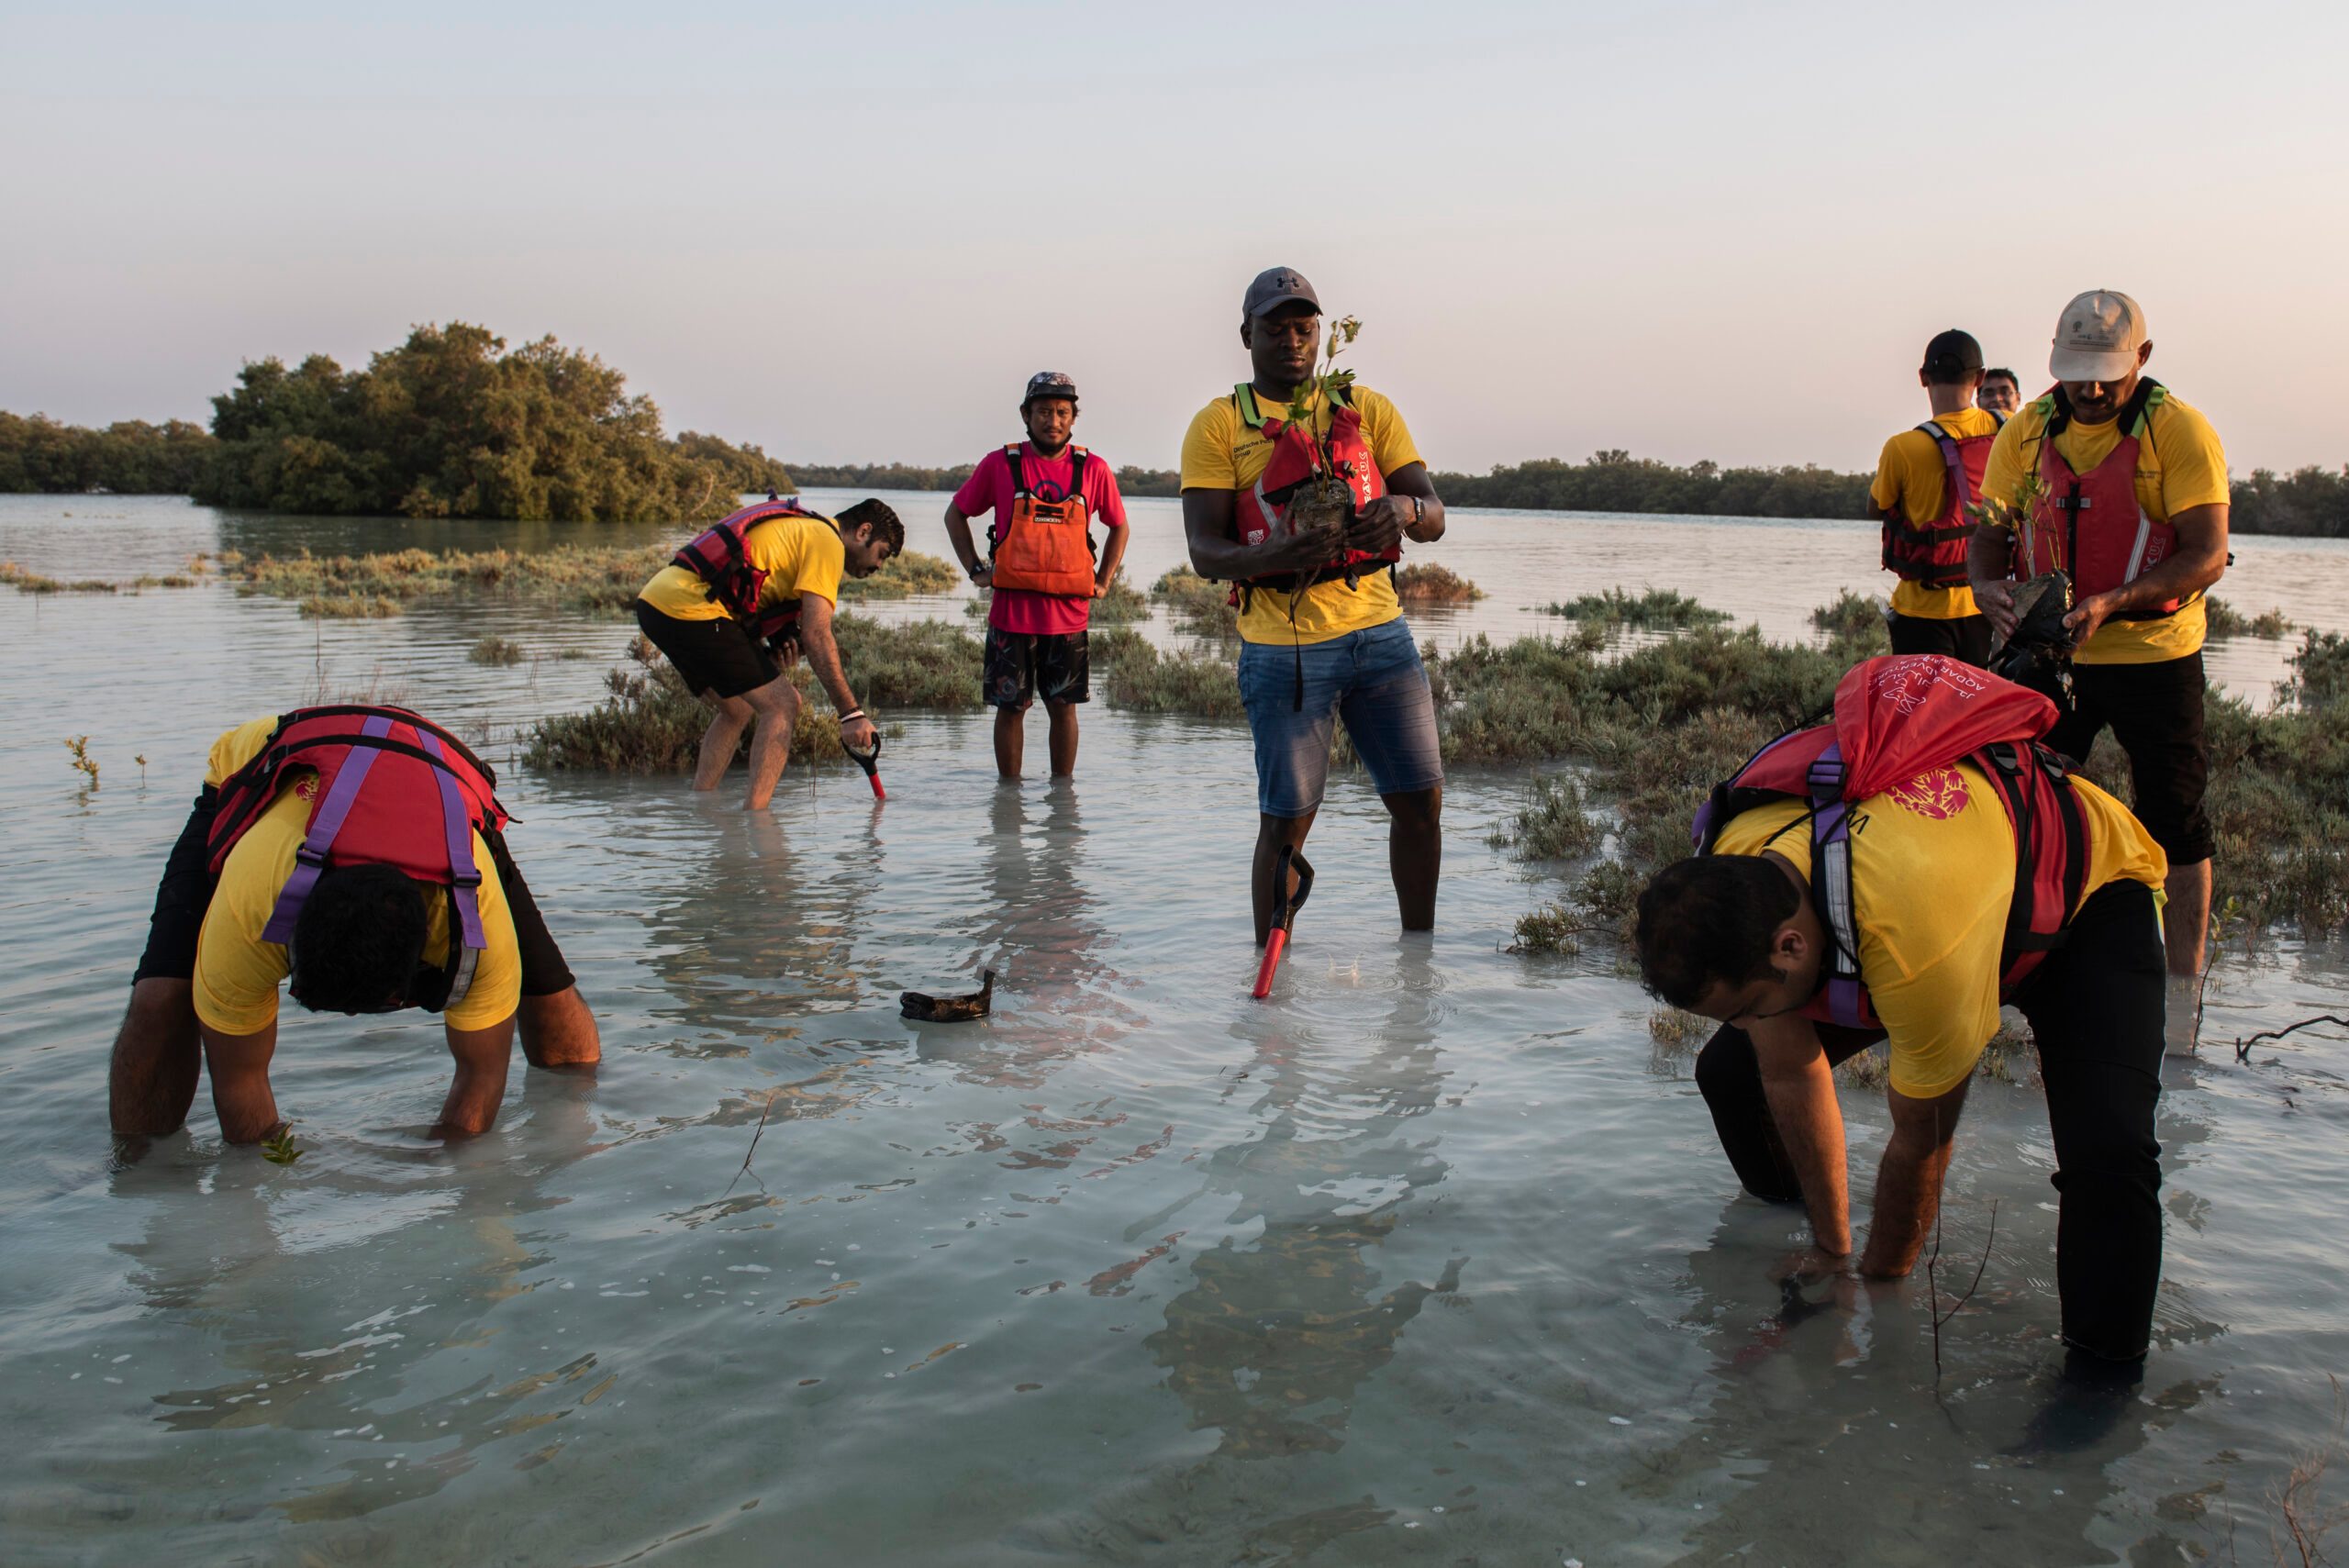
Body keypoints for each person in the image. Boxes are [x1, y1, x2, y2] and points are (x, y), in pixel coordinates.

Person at [1633, 654, 2172, 1379]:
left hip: (2085, 901)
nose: (1749, 1020)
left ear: (1790, 945)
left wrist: (1877, 1285)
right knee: (1733, 1072)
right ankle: (1785, 1210)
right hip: (1933, 897)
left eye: (1746, 1006)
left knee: (2110, 1154)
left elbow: (1923, 1138)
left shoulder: (1914, 936)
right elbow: (1789, 1066)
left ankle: (2100, 1390)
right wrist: (1828, 1251)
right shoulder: (1738, 860)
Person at [109, 706, 601, 1143]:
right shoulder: (251, 909)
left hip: (442, 776)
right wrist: (273, 1176)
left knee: (546, 995)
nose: (349, 1022)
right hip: (261, 767)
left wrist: (438, 1172)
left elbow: (482, 1078)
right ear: (288, 942)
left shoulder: (473, 915)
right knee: (163, 998)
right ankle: (134, 1173)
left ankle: (583, 1108)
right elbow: (240, 1087)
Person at [1966, 290, 2229, 1031]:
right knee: (2012, 802)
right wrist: (1988, 588)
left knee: (2175, 820)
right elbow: (1989, 535)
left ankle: (2182, 996)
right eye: (2075, 371)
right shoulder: (2029, 428)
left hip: (2155, 653)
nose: (2088, 389)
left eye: (2105, 374)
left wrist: (2115, 602)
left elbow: (2206, 554)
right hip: (2052, 654)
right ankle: (2017, 967)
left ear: (2141, 360)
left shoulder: (2178, 432)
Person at [1179, 267, 1449, 951]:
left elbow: (1435, 515)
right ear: (1247, 335)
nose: (1293, 340)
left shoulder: (1368, 408)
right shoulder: (1219, 425)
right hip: (1284, 652)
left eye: (1305, 328)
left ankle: (1418, 960)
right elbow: (1206, 553)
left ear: (1322, 335)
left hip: (1381, 638)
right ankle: (1273, 976)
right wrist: (1282, 555)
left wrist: (1402, 510)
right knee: (1288, 820)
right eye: (1276, 328)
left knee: (1421, 804)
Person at [635, 495, 902, 810]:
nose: (878, 566)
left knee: (737, 709)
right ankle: (758, 822)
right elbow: (817, 635)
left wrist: (773, 655)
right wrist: (851, 715)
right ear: (863, 532)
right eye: (881, 554)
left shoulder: (805, 529)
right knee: (783, 704)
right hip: (692, 609)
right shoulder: (827, 542)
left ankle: (702, 807)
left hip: (656, 604)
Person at [941, 372, 1132, 779]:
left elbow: (1120, 525)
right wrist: (975, 568)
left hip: (1069, 620)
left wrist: (1105, 579)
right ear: (1026, 415)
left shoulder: (1093, 469)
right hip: (1011, 619)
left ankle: (1062, 796)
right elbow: (955, 514)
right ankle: (1007, 802)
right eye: (1044, 411)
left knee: (1064, 710)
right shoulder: (1000, 464)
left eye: (1063, 412)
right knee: (1010, 710)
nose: (1053, 420)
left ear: (1073, 418)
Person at [1866, 328, 2002, 664]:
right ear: (1981, 378)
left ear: (1923, 377)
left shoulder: (1903, 446)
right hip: (1990, 604)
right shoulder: (2009, 430)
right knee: (1973, 710)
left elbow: (1875, 507)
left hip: (1921, 610)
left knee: (1923, 713)